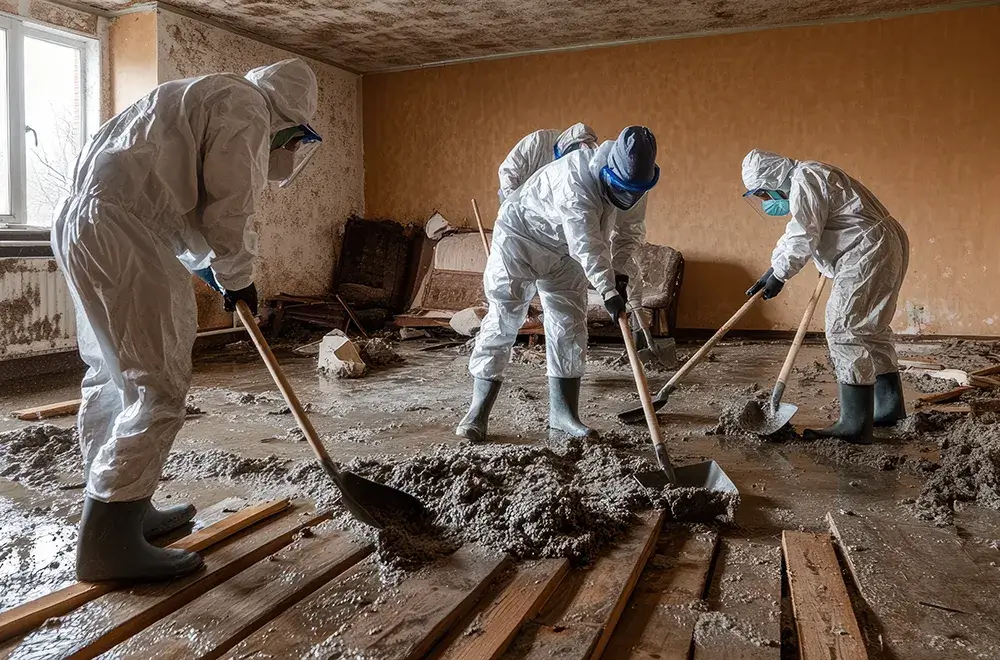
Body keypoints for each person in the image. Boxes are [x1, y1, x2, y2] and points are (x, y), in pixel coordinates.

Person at [51, 58, 322, 582]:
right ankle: (108, 541)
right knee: (158, 386)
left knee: (114, 378)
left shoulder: (198, 97)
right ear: (288, 117)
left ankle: (122, 504)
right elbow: (229, 206)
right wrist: (238, 275)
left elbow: (184, 213)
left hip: (85, 222)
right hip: (123, 231)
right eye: (293, 138)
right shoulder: (247, 108)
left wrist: (218, 271)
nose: (287, 148)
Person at [457, 126, 659, 443]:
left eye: (635, 192)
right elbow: (587, 245)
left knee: (569, 324)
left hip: (564, 254)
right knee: (503, 320)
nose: (629, 198)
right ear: (609, 170)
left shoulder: (636, 184)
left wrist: (619, 274)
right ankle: (477, 412)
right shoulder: (575, 178)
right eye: (623, 189)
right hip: (521, 241)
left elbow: (628, 234)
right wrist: (607, 290)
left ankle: (563, 414)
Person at [741, 149, 909, 444]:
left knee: (843, 329)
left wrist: (780, 275)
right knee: (871, 330)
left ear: (771, 181)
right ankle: (889, 406)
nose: (766, 201)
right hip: (881, 243)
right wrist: (773, 267)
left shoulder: (806, 179)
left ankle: (854, 424)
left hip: (865, 250)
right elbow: (796, 232)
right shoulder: (809, 175)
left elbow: (804, 234)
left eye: (763, 194)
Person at [497, 123, 598, 201]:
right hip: (515, 192)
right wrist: (513, 204)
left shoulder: (575, 169)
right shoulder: (537, 142)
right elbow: (509, 171)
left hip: (540, 203)